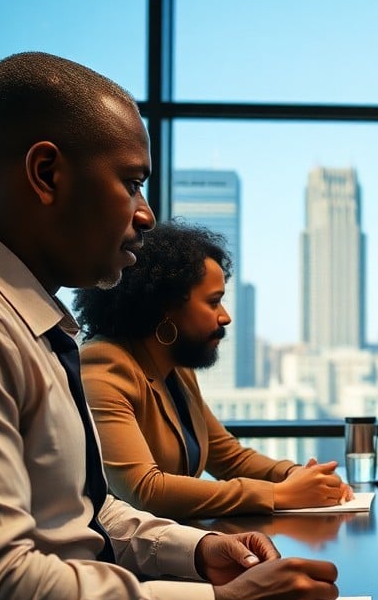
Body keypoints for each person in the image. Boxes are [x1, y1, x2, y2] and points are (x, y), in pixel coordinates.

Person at [0, 53, 338, 600]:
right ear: (46, 174)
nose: (146, 216)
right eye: (132, 183)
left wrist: (201, 550)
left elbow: (87, 514)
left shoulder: (28, 317)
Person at [74, 220, 352, 520]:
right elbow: (146, 491)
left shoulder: (176, 370)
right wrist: (279, 494)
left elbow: (229, 458)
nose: (226, 317)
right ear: (166, 306)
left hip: (177, 548)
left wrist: (300, 475)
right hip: (120, 559)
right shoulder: (105, 365)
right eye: (214, 302)